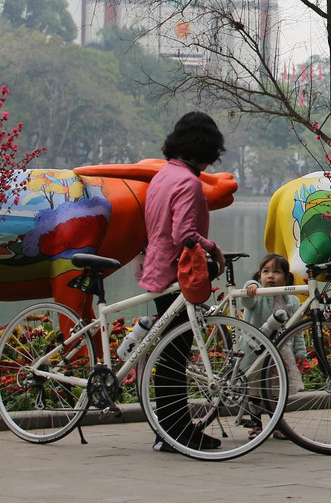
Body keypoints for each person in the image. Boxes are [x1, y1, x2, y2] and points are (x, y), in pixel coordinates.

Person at [138, 111, 227, 453]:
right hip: (178, 272)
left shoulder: (164, 175)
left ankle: (171, 430)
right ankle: (175, 431)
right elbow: (184, 234)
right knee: (176, 354)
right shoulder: (188, 182)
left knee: (170, 352)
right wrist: (214, 250)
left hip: (157, 267)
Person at [242, 253, 305, 401]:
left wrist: (300, 352)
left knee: (277, 391)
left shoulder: (292, 301)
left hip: (282, 351)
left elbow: (296, 330)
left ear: (286, 277)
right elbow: (246, 302)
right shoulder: (257, 295)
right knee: (255, 388)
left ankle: (276, 420)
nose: (270, 276)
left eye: (276, 272)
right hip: (257, 350)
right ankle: (255, 421)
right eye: (266, 271)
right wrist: (251, 286)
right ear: (260, 275)